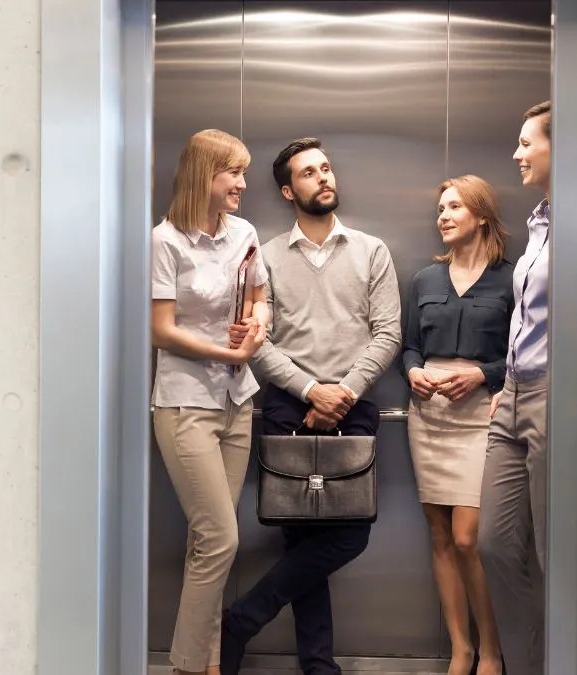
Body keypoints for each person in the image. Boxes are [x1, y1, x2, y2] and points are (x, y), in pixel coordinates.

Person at [220, 137, 402, 675]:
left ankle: (241, 621)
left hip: (354, 406)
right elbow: (258, 342)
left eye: (325, 168)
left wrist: (341, 392)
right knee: (301, 538)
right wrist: (309, 391)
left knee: (349, 532)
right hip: (288, 410)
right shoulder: (267, 256)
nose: (323, 177)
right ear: (287, 191)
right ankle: (318, 666)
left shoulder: (371, 250)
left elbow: (388, 333)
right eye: (308, 173)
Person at [151, 129, 269, 675]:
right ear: (206, 174)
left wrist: (256, 330)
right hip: (185, 405)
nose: (242, 183)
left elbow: (260, 299)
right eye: (234, 173)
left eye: (244, 173)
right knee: (220, 539)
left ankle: (210, 664)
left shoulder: (244, 233)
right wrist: (229, 351)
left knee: (208, 543)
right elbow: (161, 330)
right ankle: (185, 666)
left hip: (236, 401)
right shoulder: (165, 240)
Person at [402, 176, 513, 675]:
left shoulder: (511, 279)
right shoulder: (425, 279)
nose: (443, 216)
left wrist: (482, 375)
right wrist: (413, 372)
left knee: (469, 538)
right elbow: (410, 346)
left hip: (482, 415)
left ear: (481, 216)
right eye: (440, 208)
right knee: (441, 536)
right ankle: (460, 649)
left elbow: (524, 354)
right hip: (429, 415)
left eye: (454, 207)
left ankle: (492, 650)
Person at [476, 101, 552, 675]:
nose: (517, 153)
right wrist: (505, 381)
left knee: (552, 550)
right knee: (495, 544)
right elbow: (525, 316)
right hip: (515, 392)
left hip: (556, 394)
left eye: (527, 143)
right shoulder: (540, 221)